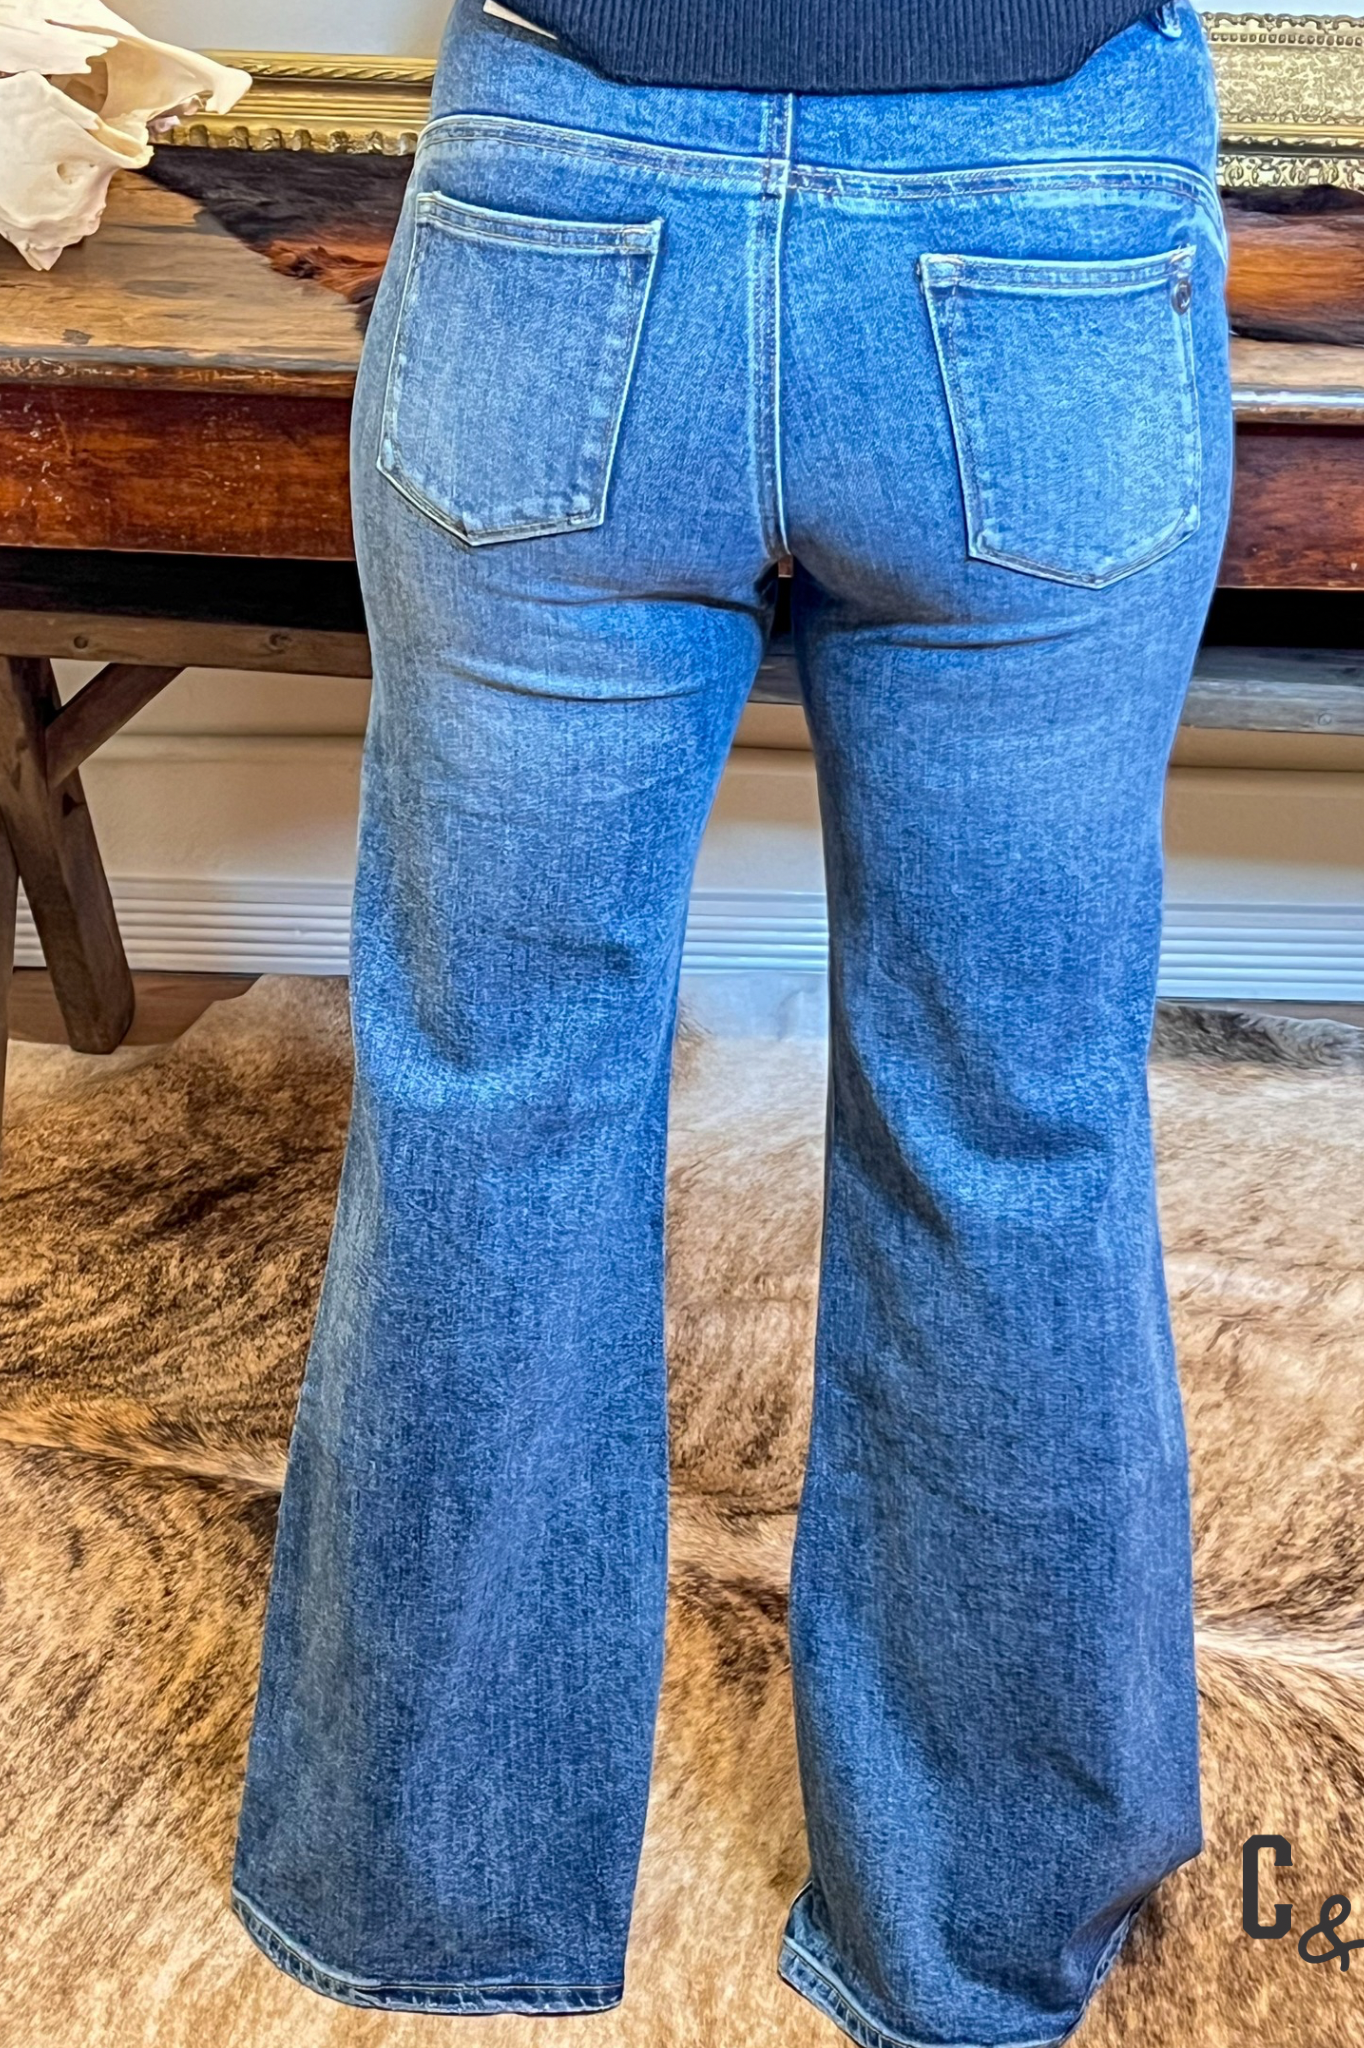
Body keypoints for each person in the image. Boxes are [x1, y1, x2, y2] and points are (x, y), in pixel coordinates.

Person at [229, 0, 1232, 2041]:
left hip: (567, 183)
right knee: (1011, 1118)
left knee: (493, 1086)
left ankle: (425, 1885)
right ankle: (979, 1928)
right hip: (1042, 191)